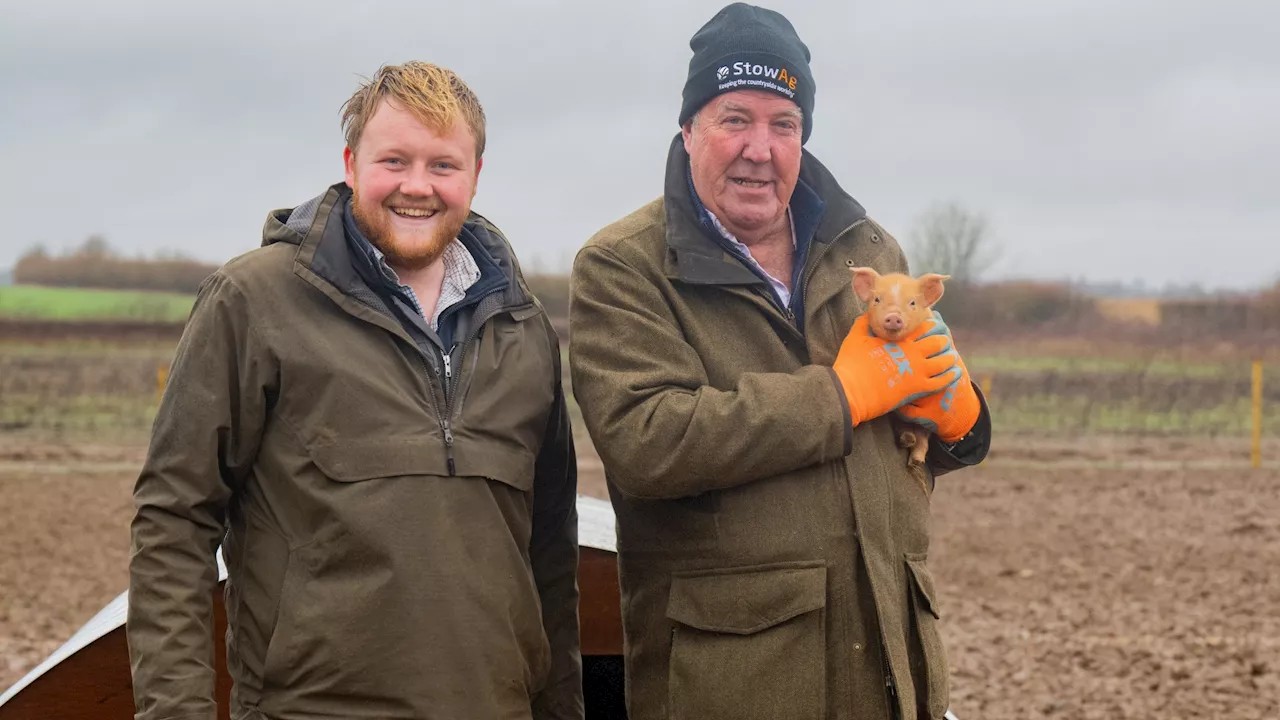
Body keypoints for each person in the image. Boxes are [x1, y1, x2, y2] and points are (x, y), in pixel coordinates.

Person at [567, 4, 991, 719]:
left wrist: (960, 422)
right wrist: (838, 398)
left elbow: (900, 428)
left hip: (893, 667)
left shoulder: (869, 250)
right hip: (738, 683)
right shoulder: (623, 267)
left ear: (803, 137)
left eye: (783, 124)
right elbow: (649, 441)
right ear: (689, 130)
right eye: (735, 119)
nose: (759, 147)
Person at [127, 61, 582, 720]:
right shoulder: (254, 303)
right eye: (393, 160)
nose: (417, 187)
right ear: (350, 163)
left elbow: (549, 558)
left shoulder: (523, 328)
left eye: (443, 166)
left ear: (476, 175)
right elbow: (173, 520)